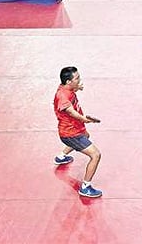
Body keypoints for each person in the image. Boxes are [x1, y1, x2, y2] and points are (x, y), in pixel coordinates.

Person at [53, 66, 103, 198]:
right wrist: (85, 119)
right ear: (68, 81)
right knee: (96, 155)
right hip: (70, 133)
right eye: (77, 78)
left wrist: (76, 88)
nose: (79, 80)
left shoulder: (65, 87)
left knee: (86, 135)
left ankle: (61, 157)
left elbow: (71, 91)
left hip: (75, 129)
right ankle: (85, 187)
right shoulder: (62, 96)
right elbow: (71, 112)